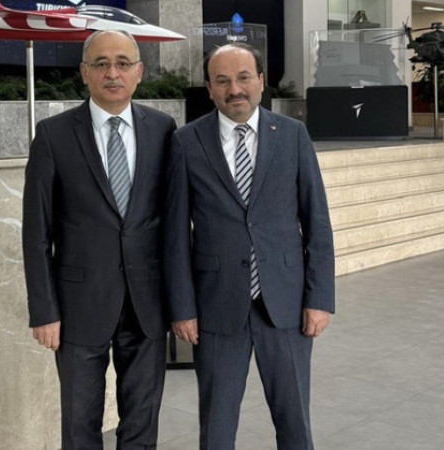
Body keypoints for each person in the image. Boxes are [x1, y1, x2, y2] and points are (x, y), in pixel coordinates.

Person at [164, 43, 335, 449]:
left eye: (243, 78)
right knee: (217, 427)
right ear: (209, 88)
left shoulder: (292, 135)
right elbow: (175, 234)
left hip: (286, 305)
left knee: (295, 423)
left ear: (260, 81)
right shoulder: (187, 141)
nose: (234, 89)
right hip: (216, 307)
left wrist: (319, 299)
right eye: (222, 81)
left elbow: (317, 221)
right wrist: (182, 308)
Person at [23, 29, 177, 449]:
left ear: (139, 72)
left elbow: (173, 224)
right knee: (80, 427)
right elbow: (36, 233)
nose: (113, 73)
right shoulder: (53, 135)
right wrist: (43, 311)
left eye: (123, 63)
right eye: (102, 64)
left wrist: (179, 302)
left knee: (141, 426)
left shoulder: (163, 130)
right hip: (78, 307)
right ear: (84, 73)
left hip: (147, 304)